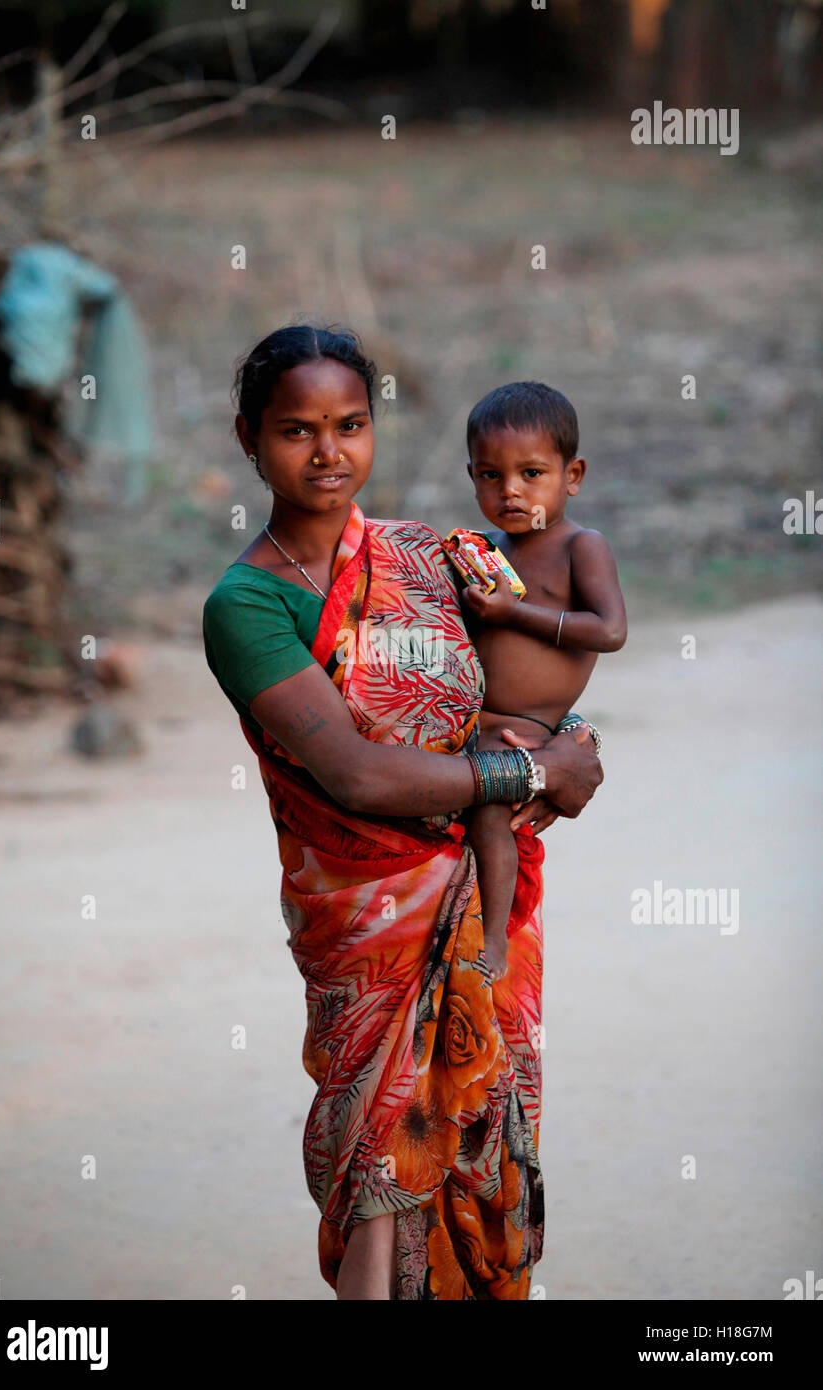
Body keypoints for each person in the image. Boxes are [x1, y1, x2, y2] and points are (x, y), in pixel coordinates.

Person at [202, 325, 602, 1301]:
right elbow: (356, 776)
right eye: (296, 430)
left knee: (480, 1145)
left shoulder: (433, 556)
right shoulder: (246, 606)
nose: (328, 451)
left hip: (479, 902)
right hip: (364, 916)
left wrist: (577, 749)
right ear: (247, 438)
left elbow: (526, 690)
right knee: (380, 1166)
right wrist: (524, 776)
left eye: (349, 424)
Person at [455, 382, 627, 981]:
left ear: (571, 475)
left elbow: (609, 630)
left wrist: (515, 613)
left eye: (531, 473)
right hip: (469, 719)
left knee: (490, 816)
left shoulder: (583, 546)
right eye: (490, 476)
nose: (511, 492)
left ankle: (495, 941)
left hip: (526, 729)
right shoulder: (483, 550)